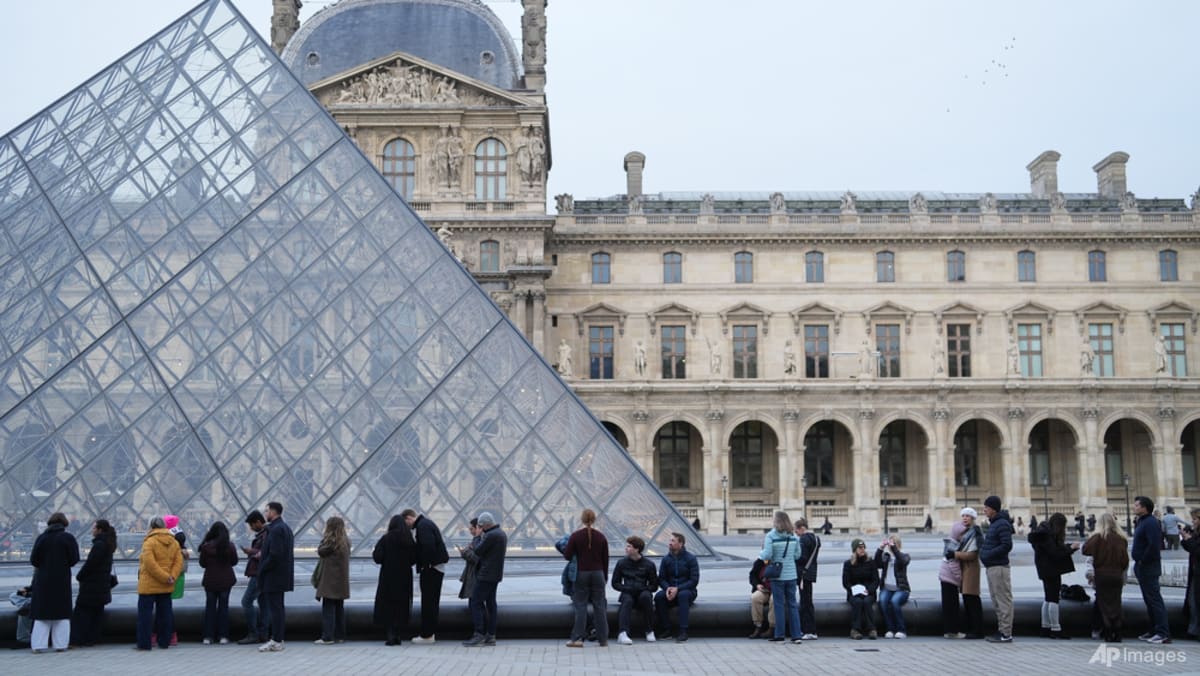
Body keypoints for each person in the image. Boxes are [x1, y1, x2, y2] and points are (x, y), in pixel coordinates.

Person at [30, 512, 80, 652]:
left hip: (43, 580)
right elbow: (74, 559)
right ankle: (60, 645)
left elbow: (34, 560)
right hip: (61, 580)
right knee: (62, 614)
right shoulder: (68, 538)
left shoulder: (42, 538)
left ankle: (38, 645)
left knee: (42, 614)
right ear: (64, 524)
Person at [563, 509, 610, 647]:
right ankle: (603, 639)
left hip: (582, 573)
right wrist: (604, 577)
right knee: (600, 607)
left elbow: (567, 555)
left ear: (582, 519)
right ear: (594, 519)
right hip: (598, 574)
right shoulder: (601, 537)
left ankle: (577, 639)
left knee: (581, 607)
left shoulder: (576, 536)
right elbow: (605, 559)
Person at [136, 516, 183, 651]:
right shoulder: (173, 542)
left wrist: (164, 577)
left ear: (151, 526)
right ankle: (164, 641)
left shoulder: (149, 542)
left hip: (148, 585)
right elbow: (178, 562)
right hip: (166, 585)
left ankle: (144, 644)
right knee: (165, 615)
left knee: (145, 616)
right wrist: (171, 577)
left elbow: (150, 564)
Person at [1028, 512, 1078, 639]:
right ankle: (1056, 629)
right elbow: (1055, 553)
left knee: (1048, 598)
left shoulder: (1042, 533)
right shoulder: (1047, 535)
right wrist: (1071, 548)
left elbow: (1052, 550)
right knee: (1054, 599)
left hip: (1044, 569)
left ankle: (1045, 627)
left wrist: (1068, 547)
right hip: (1051, 569)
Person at [403, 509, 449, 643]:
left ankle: (427, 635)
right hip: (435, 568)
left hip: (431, 570)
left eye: (406, 523)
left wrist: (426, 566)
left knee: (428, 603)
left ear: (409, 518)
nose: (407, 526)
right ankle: (429, 634)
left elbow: (428, 546)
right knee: (431, 602)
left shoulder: (422, 526)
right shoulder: (426, 524)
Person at [462, 512, 507, 647]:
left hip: (485, 575)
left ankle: (479, 634)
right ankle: (491, 635)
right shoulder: (501, 533)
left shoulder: (490, 535)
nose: (480, 528)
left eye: (481, 526)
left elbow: (478, 551)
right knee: (491, 604)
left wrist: (476, 539)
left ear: (486, 525)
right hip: (495, 575)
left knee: (475, 602)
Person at [1083, 513, 1130, 642]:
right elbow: (1125, 561)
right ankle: (1118, 631)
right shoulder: (1121, 539)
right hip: (1116, 576)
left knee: (1104, 605)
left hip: (1102, 575)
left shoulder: (1098, 537)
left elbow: (1085, 550)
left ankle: (1108, 631)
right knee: (1116, 603)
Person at [759, 510, 803, 643]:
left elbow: (766, 555)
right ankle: (796, 636)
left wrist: (761, 554)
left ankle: (780, 635)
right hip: (791, 575)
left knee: (778, 606)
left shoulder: (771, 536)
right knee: (792, 605)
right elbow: (797, 555)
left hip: (777, 576)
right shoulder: (794, 536)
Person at [71, 519, 116, 647]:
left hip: (92, 585)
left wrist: (80, 576)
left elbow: (91, 564)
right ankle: (92, 639)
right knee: (97, 613)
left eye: (94, 528)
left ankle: (78, 639)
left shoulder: (99, 544)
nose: (92, 530)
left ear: (100, 530)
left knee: (82, 613)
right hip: (102, 585)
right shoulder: (109, 543)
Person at [1132, 496, 1170, 643]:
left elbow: (1154, 545)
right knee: (1149, 600)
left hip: (1148, 566)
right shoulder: (1142, 521)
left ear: (1144, 507)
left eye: (1136, 505)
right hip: (1143, 566)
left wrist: (1142, 560)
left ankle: (1163, 632)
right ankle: (1154, 629)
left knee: (1154, 600)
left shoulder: (1151, 523)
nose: (1134, 507)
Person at [373, 514, 415, 646]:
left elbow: (377, 557)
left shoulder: (386, 538)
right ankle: (398, 634)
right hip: (404, 576)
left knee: (388, 605)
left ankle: (390, 635)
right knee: (401, 605)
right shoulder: (409, 539)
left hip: (388, 576)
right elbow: (414, 559)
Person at [258, 501, 294, 653]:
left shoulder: (276, 529)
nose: (265, 514)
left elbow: (275, 554)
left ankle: (277, 640)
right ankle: (278, 638)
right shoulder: (284, 528)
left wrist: (262, 568)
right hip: (281, 575)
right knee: (278, 608)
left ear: (273, 511)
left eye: (267, 511)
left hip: (274, 576)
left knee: (276, 609)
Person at [980, 495, 1014, 643]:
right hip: (993, 566)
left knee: (1003, 600)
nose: (984, 510)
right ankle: (1002, 630)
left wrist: (988, 554)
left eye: (986, 508)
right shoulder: (995, 523)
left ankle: (1006, 633)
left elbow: (1007, 545)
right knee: (996, 600)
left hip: (999, 567)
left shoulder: (1001, 524)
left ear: (993, 509)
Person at [654, 532, 699, 643]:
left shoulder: (691, 558)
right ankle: (667, 629)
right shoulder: (666, 559)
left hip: (688, 591)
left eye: (673, 541)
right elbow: (661, 579)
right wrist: (667, 588)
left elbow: (694, 580)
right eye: (670, 540)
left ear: (681, 543)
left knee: (682, 596)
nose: (669, 543)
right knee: (659, 597)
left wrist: (678, 589)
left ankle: (683, 631)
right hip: (671, 590)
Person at [612, 535, 657, 644]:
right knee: (627, 600)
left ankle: (649, 630)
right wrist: (627, 588)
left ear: (637, 549)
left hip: (642, 592)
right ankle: (623, 633)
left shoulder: (649, 565)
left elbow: (654, 586)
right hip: (627, 592)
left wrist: (643, 589)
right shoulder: (621, 563)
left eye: (629, 546)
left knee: (646, 597)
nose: (626, 548)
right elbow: (615, 583)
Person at [199, 521, 238, 645]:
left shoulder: (206, 547)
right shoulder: (230, 546)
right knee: (223, 608)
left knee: (210, 608)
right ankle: (223, 636)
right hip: (226, 580)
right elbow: (234, 562)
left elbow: (202, 564)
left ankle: (208, 636)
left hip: (210, 580)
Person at [314, 516, 350, 645]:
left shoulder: (331, 542)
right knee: (339, 608)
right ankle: (340, 635)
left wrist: (323, 540)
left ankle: (327, 636)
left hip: (330, 581)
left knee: (328, 609)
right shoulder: (346, 541)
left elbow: (320, 551)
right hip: (341, 581)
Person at [236, 510, 270, 644]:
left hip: (258, 573)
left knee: (246, 601)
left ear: (258, 522)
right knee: (264, 604)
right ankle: (263, 634)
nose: (251, 528)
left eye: (251, 525)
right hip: (263, 573)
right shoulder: (266, 533)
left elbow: (265, 552)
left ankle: (253, 633)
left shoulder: (266, 534)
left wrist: (251, 552)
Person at [875, 535, 910, 639]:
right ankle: (890, 629)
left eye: (893, 543)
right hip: (887, 588)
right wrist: (880, 548)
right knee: (883, 601)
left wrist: (894, 549)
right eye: (890, 544)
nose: (891, 546)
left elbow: (902, 561)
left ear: (898, 544)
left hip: (901, 589)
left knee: (894, 602)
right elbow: (876, 563)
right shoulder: (886, 557)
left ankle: (901, 630)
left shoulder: (905, 556)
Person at [842, 538, 877, 639]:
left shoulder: (871, 562)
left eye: (863, 548)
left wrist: (869, 590)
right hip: (854, 593)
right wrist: (853, 590)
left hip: (868, 592)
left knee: (867, 602)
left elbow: (875, 580)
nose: (862, 550)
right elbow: (845, 582)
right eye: (859, 548)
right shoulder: (848, 564)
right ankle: (855, 630)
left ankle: (872, 629)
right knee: (857, 602)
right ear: (854, 550)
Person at [794, 518, 820, 640]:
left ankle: (807, 630)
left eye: (796, 531)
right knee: (808, 601)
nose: (796, 534)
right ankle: (813, 630)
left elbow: (802, 558)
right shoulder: (815, 538)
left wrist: (794, 557)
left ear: (802, 528)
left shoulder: (803, 539)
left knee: (805, 603)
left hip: (803, 574)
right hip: (811, 573)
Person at [1181, 508, 1200, 640]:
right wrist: (1185, 539)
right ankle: (1193, 629)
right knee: (1193, 602)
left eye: (1194, 519)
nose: (1192, 522)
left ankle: (1195, 630)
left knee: (1196, 602)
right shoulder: (1197, 533)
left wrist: (1189, 540)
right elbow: (1192, 548)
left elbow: (1197, 550)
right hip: (1195, 572)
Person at [746, 557, 775, 639]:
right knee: (755, 597)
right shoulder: (759, 561)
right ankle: (758, 625)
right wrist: (757, 585)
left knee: (774, 600)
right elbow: (752, 575)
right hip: (764, 589)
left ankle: (772, 627)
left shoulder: (778, 559)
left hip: (776, 590)